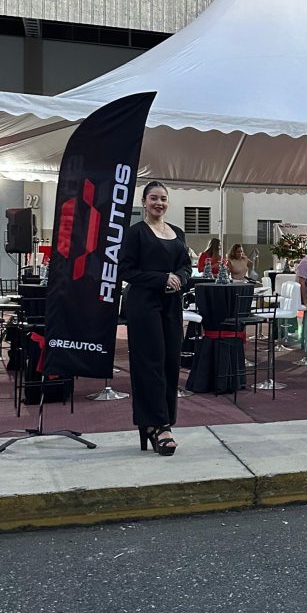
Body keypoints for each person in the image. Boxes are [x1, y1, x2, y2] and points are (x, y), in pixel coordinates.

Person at [119, 181, 192, 456]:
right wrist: (162, 278)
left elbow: (186, 266)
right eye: (153, 198)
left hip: (171, 304)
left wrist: (180, 278)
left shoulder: (178, 232)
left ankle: (165, 420)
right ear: (144, 202)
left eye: (163, 198)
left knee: (171, 362)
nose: (159, 203)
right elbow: (126, 270)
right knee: (150, 363)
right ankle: (158, 425)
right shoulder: (136, 233)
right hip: (144, 304)